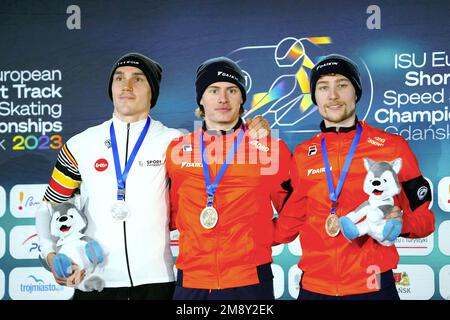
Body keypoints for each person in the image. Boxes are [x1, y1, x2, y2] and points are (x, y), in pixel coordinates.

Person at [35, 52, 270, 300]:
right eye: (119, 78)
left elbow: (227, 174)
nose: (126, 86)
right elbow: (49, 207)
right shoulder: (80, 145)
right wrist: (49, 255)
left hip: (158, 282)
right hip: (95, 281)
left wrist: (253, 129)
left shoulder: (177, 144)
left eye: (138, 79)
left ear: (152, 92)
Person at [274, 54, 435, 300]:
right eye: (323, 87)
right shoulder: (303, 154)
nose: (333, 95)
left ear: (356, 92)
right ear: (314, 97)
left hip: (373, 287)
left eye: (342, 85)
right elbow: (287, 223)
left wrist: (401, 224)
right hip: (315, 288)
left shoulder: (392, 148)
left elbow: (425, 220)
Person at [166, 57, 292, 300]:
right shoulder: (178, 149)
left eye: (231, 90)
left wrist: (267, 237)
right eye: (214, 90)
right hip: (192, 280)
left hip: (250, 280)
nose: (222, 99)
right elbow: (172, 209)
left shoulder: (269, 148)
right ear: (201, 99)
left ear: (242, 99)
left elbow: (295, 205)